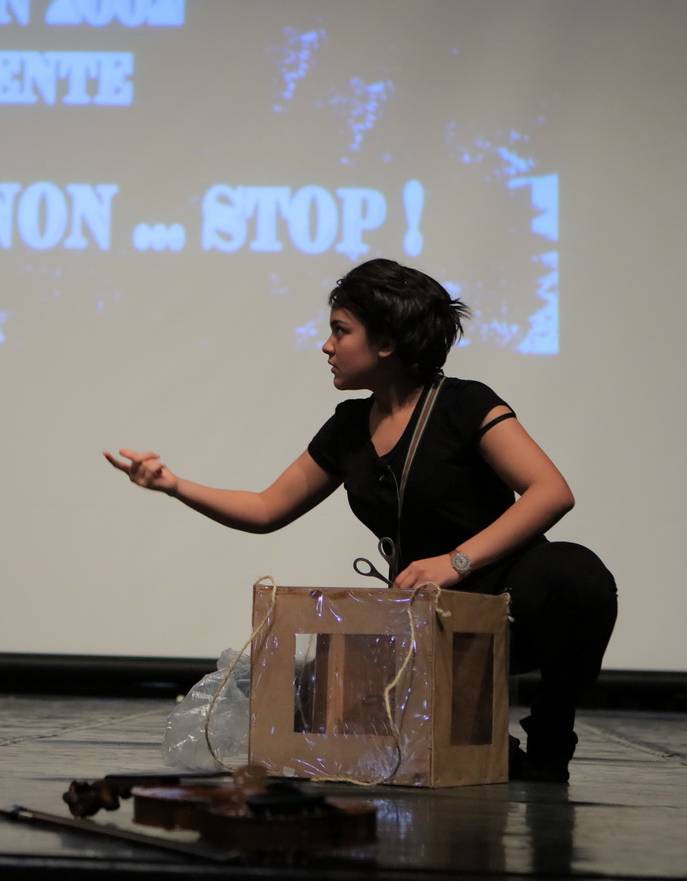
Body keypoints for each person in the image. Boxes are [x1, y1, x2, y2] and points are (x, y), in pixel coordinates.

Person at [105, 259, 617, 782]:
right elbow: (266, 508)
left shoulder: (465, 404)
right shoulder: (349, 426)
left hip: (504, 601)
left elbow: (551, 492)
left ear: (386, 343)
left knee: (576, 573)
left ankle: (551, 731)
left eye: (340, 331)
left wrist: (455, 562)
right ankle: (472, 739)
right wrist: (173, 484)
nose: (326, 346)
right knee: (318, 675)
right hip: (422, 613)